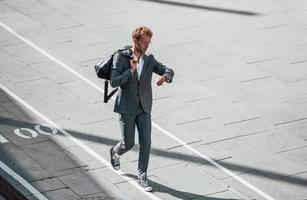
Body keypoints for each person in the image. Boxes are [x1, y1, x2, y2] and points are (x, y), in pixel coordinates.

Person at [109, 26, 174, 192]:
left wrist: (165, 77)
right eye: (144, 42)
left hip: (144, 107)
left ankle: (142, 176)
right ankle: (115, 152)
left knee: (146, 143)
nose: (146, 45)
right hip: (127, 107)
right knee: (128, 143)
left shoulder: (149, 59)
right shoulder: (121, 57)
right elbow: (114, 81)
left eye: (149, 42)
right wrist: (131, 70)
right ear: (135, 40)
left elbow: (168, 70)